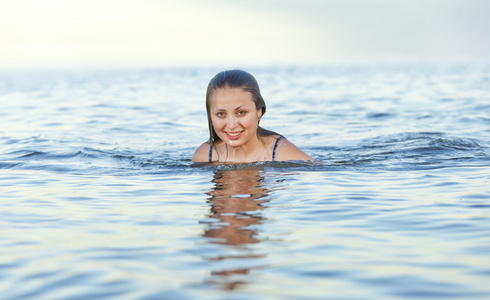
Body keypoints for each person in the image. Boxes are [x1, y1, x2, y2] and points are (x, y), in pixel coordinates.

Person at [192, 69, 312, 163]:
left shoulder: (282, 154)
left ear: (259, 111)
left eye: (241, 112)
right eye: (221, 114)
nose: (231, 125)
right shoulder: (205, 156)